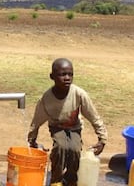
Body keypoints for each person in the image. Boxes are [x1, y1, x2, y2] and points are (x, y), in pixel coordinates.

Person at [27, 58, 108, 186]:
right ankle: (56, 180)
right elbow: (36, 121)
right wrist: (32, 140)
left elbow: (93, 116)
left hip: (75, 127)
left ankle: (71, 180)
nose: (67, 78)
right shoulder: (46, 99)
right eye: (62, 74)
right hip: (56, 126)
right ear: (52, 76)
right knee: (61, 147)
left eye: (70, 74)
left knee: (75, 149)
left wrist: (102, 139)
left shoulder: (78, 94)